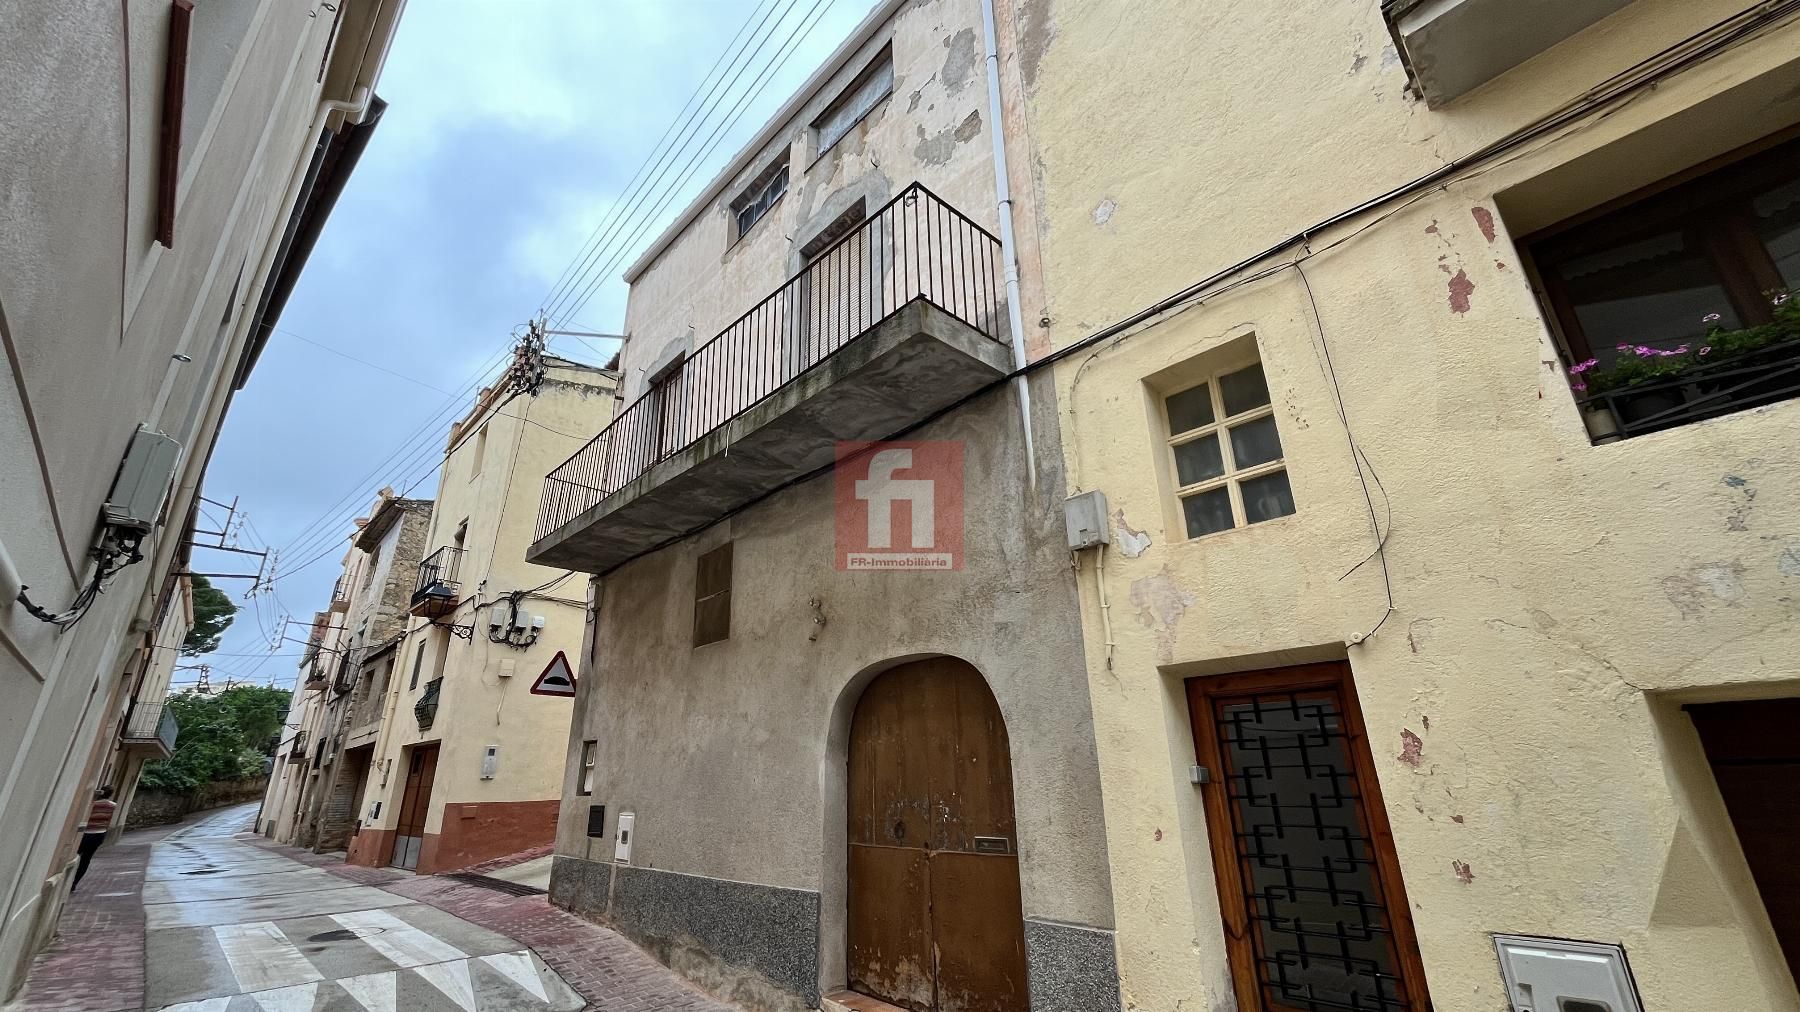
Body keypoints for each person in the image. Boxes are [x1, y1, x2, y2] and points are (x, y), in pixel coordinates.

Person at [72, 786, 117, 890]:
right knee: (86, 859)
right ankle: (74, 882)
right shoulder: (112, 805)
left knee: (75, 855)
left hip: (86, 833)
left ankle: (70, 879)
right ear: (110, 794)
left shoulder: (92, 804)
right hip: (99, 834)